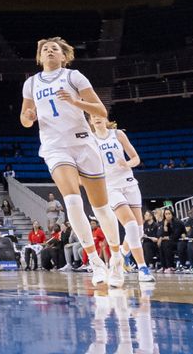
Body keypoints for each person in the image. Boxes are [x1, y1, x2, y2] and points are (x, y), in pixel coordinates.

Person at [20, 38, 124, 288]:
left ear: (64, 56)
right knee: (72, 200)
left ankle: (117, 257)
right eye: (45, 48)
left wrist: (76, 102)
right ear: (39, 56)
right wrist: (29, 116)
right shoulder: (31, 83)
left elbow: (100, 111)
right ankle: (96, 261)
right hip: (55, 146)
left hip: (83, 144)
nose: (49, 51)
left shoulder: (73, 76)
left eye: (54, 48)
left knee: (101, 208)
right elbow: (24, 120)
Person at [89, 114, 154, 282]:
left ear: (105, 118)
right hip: (110, 186)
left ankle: (121, 256)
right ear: (90, 121)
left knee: (139, 231)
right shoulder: (90, 139)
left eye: (99, 115)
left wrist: (128, 164)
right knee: (131, 226)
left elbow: (136, 158)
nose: (96, 118)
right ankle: (142, 268)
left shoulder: (118, 134)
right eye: (92, 116)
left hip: (129, 182)